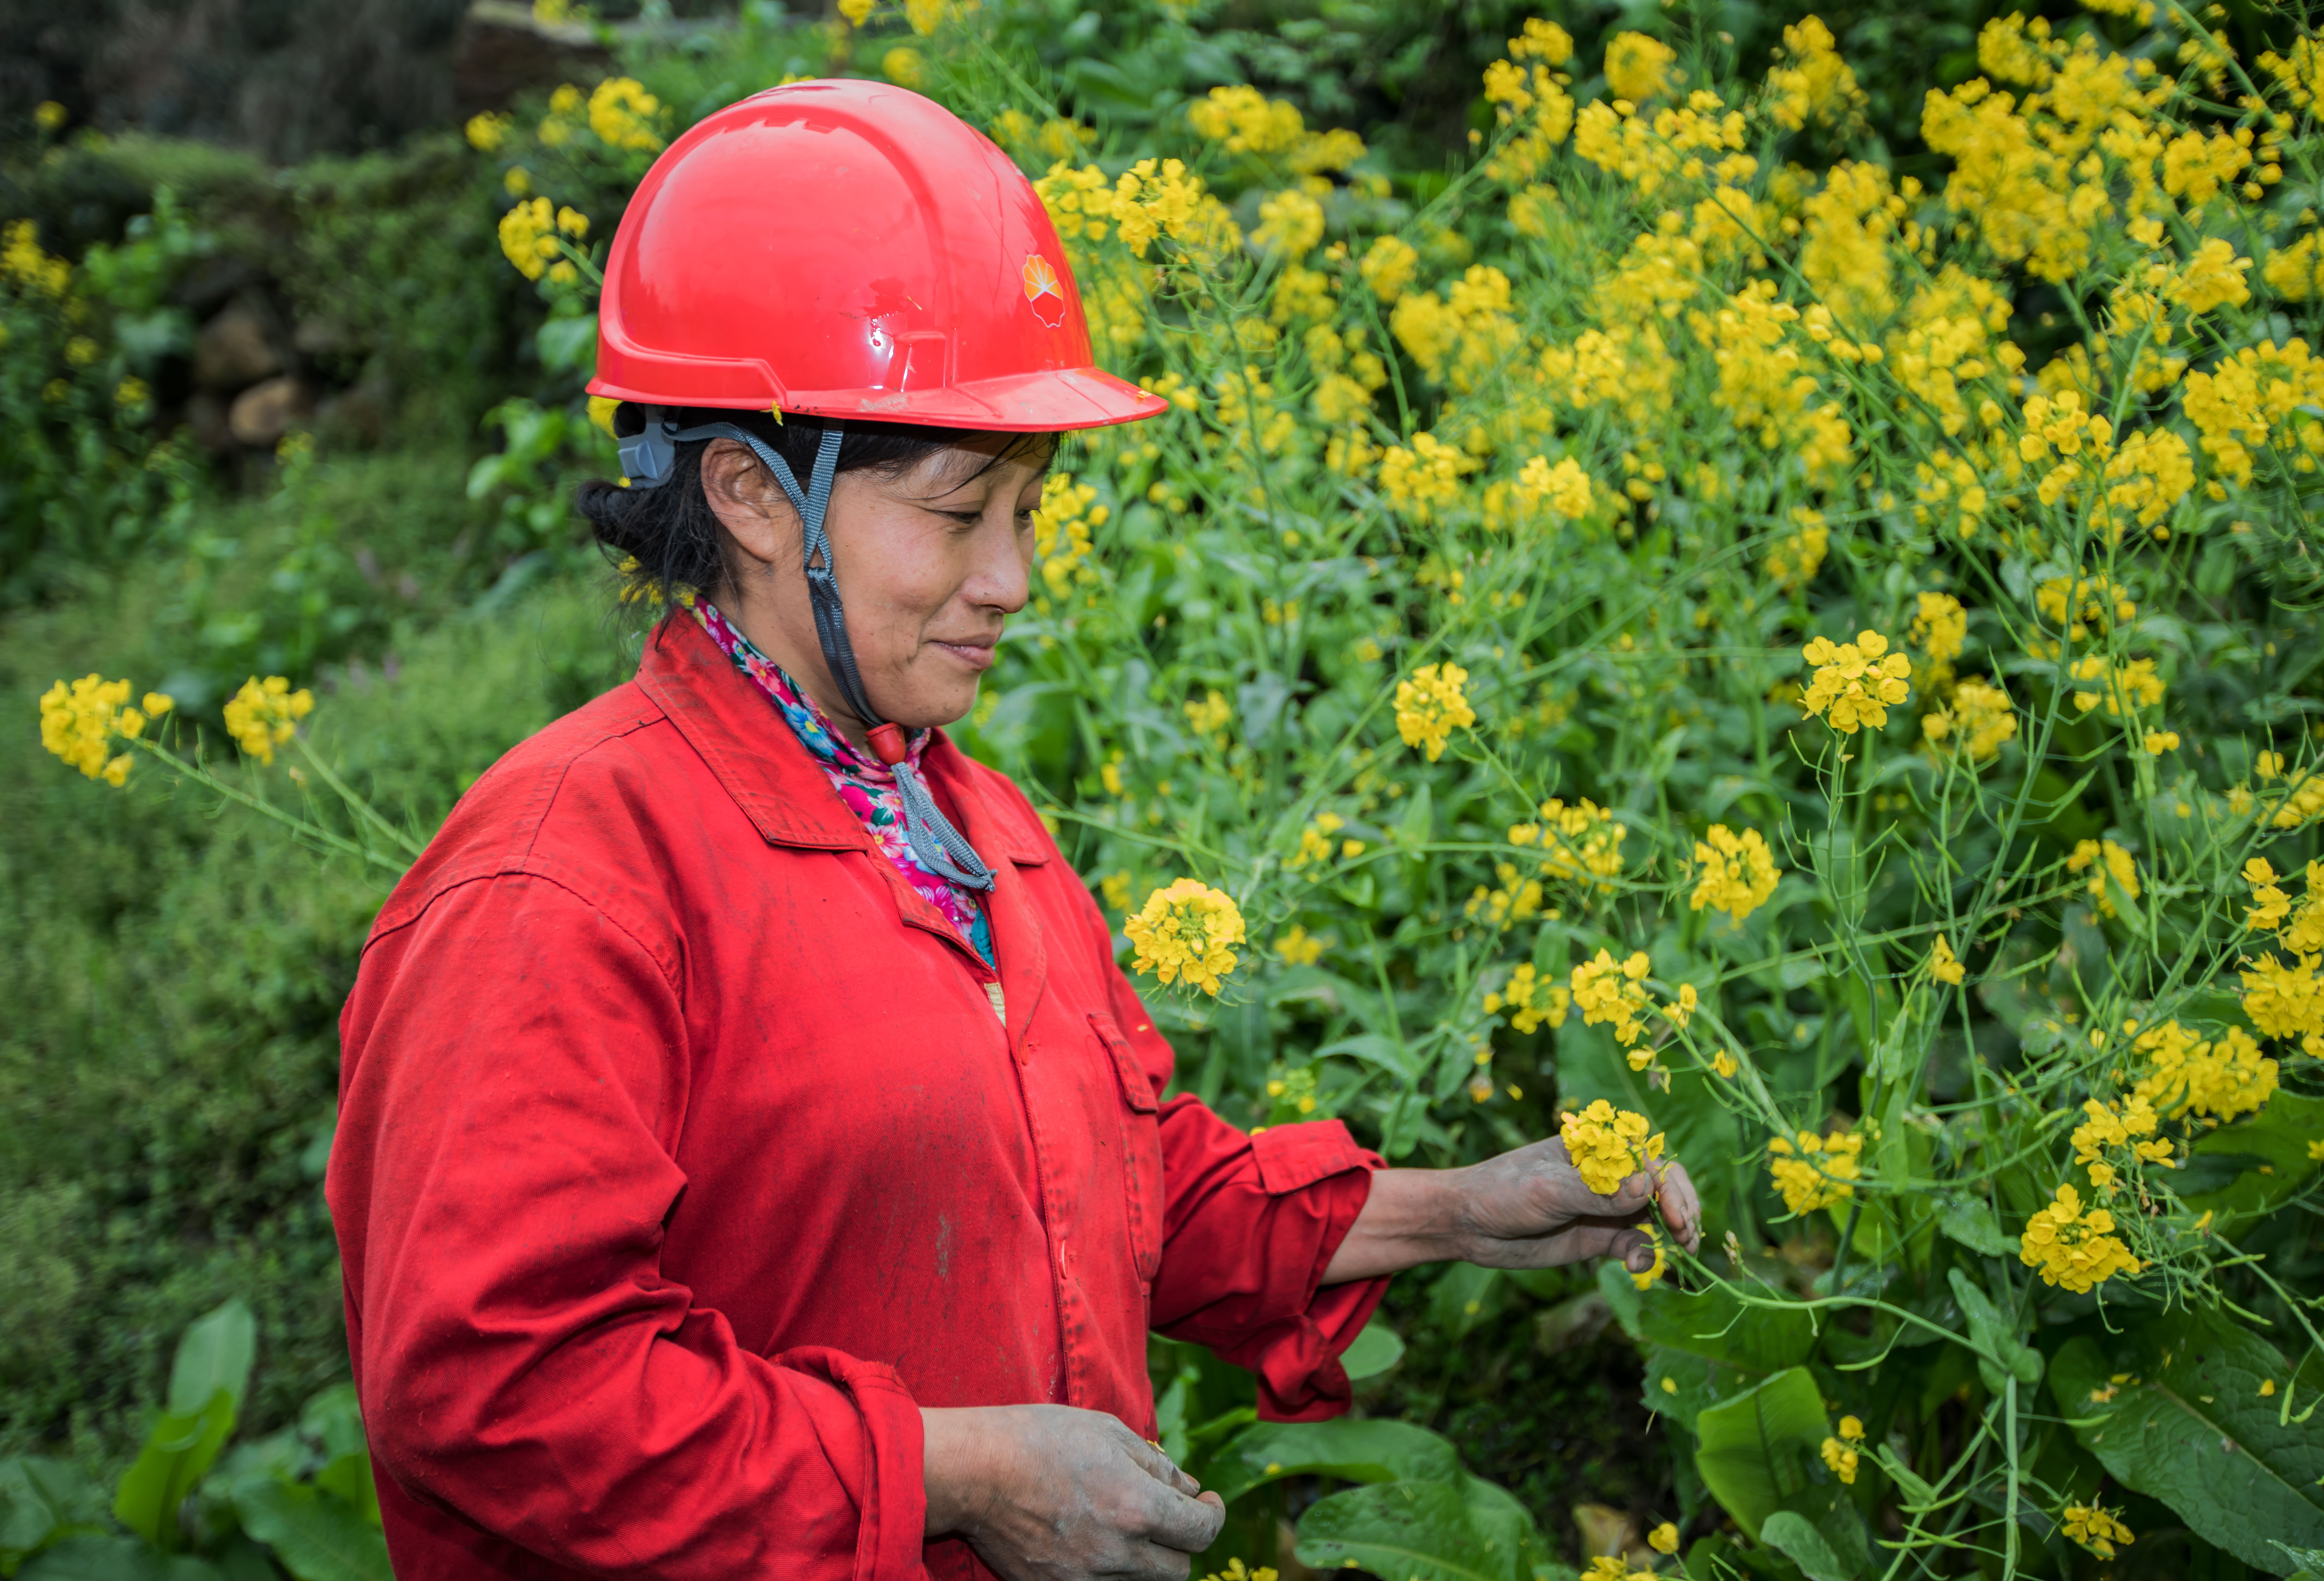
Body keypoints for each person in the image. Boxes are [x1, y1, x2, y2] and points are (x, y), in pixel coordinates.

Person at [327, 79, 1700, 1581]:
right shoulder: (564, 875)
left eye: (1030, 513)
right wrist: (957, 1471)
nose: (1014, 580)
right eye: (962, 510)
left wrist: (1460, 1213)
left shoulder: (969, 821)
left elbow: (1101, 1193)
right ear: (751, 495)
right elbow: (495, 1394)